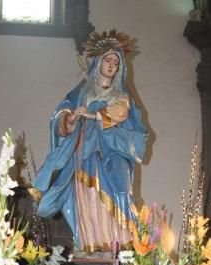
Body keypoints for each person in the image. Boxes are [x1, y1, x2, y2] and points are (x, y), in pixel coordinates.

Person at [34, 30, 148, 253]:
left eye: (116, 62)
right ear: (98, 62)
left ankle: (122, 244)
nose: (112, 65)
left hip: (113, 152)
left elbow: (121, 112)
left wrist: (94, 114)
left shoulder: (120, 94)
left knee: (121, 191)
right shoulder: (82, 91)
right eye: (108, 60)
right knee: (87, 194)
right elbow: (60, 115)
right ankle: (91, 244)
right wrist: (72, 118)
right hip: (85, 154)